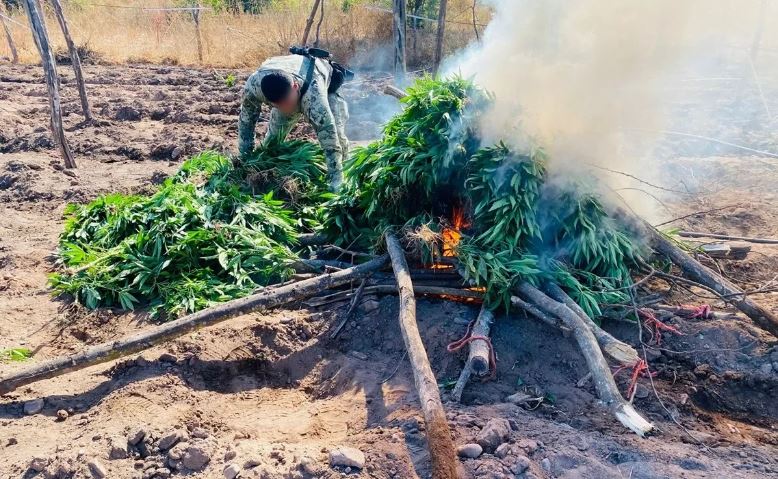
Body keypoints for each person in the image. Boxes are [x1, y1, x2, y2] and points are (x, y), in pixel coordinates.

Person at [238, 54, 349, 191]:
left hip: (323, 84)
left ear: (295, 87)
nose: (286, 109)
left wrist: (336, 183)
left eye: (287, 103)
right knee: (273, 141)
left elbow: (330, 142)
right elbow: (246, 123)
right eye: (279, 105)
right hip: (286, 80)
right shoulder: (254, 87)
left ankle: (346, 170)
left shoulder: (315, 100)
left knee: (337, 136)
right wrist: (245, 160)